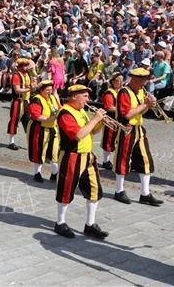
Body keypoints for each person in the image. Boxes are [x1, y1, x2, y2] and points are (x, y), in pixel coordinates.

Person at [54, 84, 109, 240]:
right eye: (84, 96)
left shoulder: (81, 111)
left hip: (88, 156)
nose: (88, 99)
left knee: (94, 190)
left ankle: (90, 225)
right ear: (73, 96)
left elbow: (91, 131)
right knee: (66, 190)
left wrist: (100, 122)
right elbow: (78, 135)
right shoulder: (65, 113)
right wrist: (95, 119)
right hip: (72, 155)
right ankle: (60, 222)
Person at [113, 67, 163, 206]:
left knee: (146, 159)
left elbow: (140, 111)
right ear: (134, 79)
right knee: (123, 159)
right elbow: (126, 115)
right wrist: (145, 104)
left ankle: (145, 193)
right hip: (127, 129)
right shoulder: (124, 92)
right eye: (143, 80)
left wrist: (149, 105)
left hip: (139, 128)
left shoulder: (141, 91)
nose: (145, 83)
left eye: (145, 80)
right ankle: (119, 190)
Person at [26, 80, 61, 182]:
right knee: (39, 151)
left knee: (55, 152)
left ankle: (55, 174)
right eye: (47, 89)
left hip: (52, 128)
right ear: (41, 90)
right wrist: (49, 119)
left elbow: (59, 109)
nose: (49, 91)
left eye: (51, 89)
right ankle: (37, 173)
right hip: (39, 128)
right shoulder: (36, 99)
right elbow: (36, 115)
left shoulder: (53, 98)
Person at [6, 58, 33, 151]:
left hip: (26, 101)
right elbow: (17, 90)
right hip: (17, 100)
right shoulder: (16, 76)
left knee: (28, 122)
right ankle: (11, 142)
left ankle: (30, 142)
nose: (27, 67)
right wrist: (30, 89)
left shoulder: (27, 74)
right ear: (20, 67)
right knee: (14, 120)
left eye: (27, 65)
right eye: (25, 66)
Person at [100, 72, 123, 170]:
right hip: (110, 119)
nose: (120, 82)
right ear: (113, 81)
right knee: (108, 140)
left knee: (118, 140)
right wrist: (123, 108)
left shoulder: (120, 91)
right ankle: (106, 160)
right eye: (118, 80)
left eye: (122, 80)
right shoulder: (109, 93)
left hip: (119, 119)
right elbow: (109, 107)